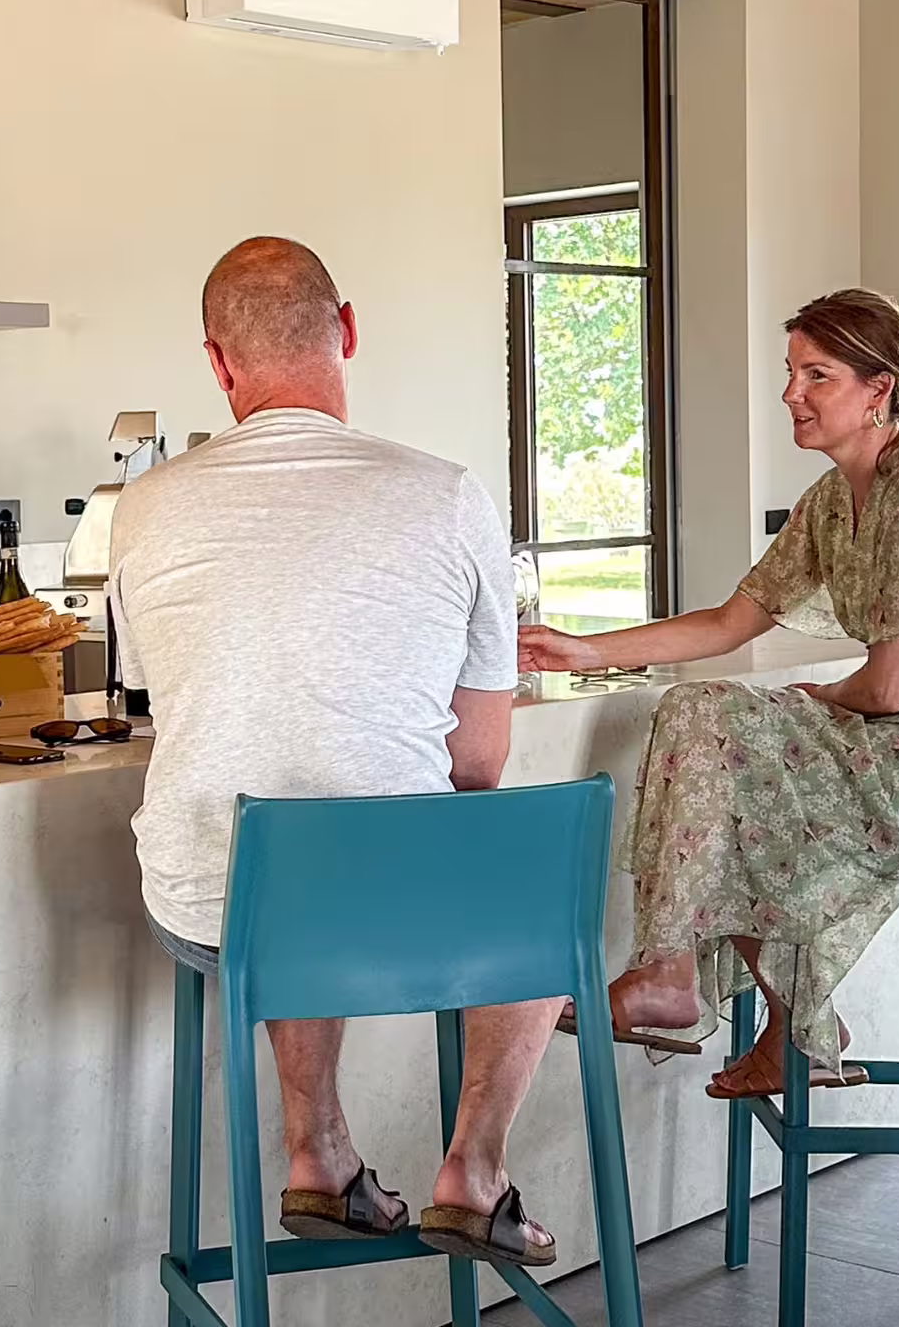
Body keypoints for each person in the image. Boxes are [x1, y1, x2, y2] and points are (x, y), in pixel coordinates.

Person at [110, 237, 565, 1267]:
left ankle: (315, 1150)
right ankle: (474, 1172)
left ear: (218, 365)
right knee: (527, 886)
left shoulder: (142, 507)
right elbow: (480, 767)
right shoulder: (448, 494)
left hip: (212, 908)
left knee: (291, 854)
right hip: (381, 905)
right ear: (348, 330)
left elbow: (160, 691)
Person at [521, 289, 899, 1100]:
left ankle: (681, 976)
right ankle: (794, 1024)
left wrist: (816, 697)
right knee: (720, 745)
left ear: (879, 390)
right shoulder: (835, 498)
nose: (790, 394)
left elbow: (887, 687)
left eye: (817, 375)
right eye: (791, 372)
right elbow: (733, 621)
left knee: (720, 733)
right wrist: (585, 648)